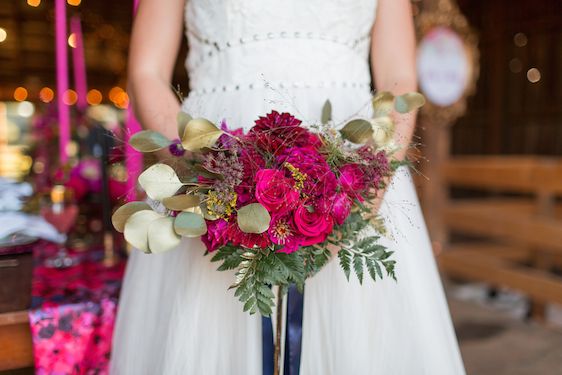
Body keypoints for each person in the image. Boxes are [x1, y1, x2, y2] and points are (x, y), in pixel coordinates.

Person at [111, 0, 466, 374]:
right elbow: (146, 71)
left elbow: (399, 79)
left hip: (351, 161)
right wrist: (205, 172)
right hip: (216, 156)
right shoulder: (209, 171)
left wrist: (364, 195)